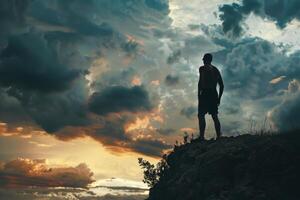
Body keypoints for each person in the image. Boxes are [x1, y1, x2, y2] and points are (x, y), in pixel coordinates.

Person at [198, 53, 224, 140]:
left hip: (206, 93)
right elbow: (221, 85)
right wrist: (219, 98)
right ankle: (218, 136)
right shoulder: (216, 70)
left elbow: (200, 83)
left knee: (201, 115)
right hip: (213, 94)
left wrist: (199, 95)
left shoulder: (202, 69)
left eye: (204, 59)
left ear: (206, 60)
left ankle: (202, 137)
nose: (203, 60)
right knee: (214, 116)